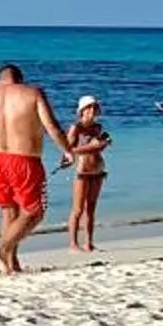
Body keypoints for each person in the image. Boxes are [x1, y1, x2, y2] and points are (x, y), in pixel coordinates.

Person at [0, 62, 65, 274]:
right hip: (24, 159)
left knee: (9, 210)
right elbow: (51, 126)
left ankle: (10, 265)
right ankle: (3, 250)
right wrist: (67, 151)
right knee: (34, 211)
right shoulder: (32, 93)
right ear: (20, 79)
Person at [64, 95, 111, 251]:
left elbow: (98, 147)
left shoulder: (98, 127)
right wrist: (93, 146)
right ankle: (73, 244)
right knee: (77, 209)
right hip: (82, 170)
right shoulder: (76, 128)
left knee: (91, 207)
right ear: (82, 111)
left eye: (94, 107)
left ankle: (89, 243)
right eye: (89, 107)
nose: (92, 110)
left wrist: (101, 145)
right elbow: (68, 150)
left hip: (97, 168)